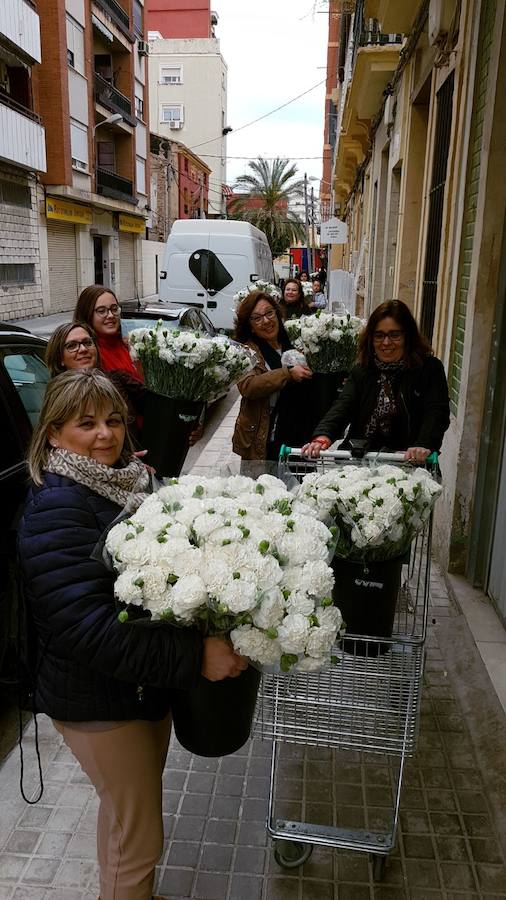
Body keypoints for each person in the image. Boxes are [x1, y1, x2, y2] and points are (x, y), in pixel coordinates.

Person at [17, 369, 246, 900]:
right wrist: (194, 656)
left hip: (135, 687)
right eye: (86, 423)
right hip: (98, 700)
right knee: (140, 837)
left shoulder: (122, 484)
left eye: (114, 420)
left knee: (125, 819)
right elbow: (87, 630)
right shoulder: (59, 507)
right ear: (52, 433)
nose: (106, 435)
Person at [302, 299, 450, 462]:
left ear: (408, 336)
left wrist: (424, 444)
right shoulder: (363, 369)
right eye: (379, 336)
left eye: (394, 335)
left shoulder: (429, 369)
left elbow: (436, 412)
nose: (386, 342)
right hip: (361, 461)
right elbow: (343, 405)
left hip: (409, 463)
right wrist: (323, 436)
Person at [232, 291, 313, 463]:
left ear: (277, 313)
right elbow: (248, 386)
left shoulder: (293, 342)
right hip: (263, 437)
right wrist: (287, 373)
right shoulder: (246, 351)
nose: (266, 321)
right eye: (257, 318)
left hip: (298, 432)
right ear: (250, 325)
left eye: (269, 313)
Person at [45, 321, 146, 443]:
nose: (82, 349)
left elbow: (158, 406)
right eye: (72, 346)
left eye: (87, 343)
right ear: (60, 358)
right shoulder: (57, 397)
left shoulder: (119, 380)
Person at [74, 285, 142, 382]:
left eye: (114, 309)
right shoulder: (86, 355)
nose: (110, 315)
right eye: (102, 311)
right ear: (87, 314)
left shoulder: (129, 344)